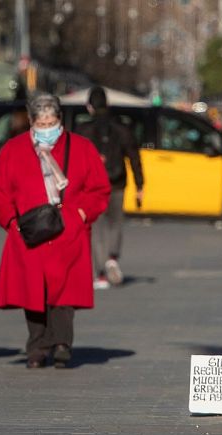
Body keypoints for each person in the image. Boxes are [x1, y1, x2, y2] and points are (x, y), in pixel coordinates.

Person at [0, 92, 110, 368]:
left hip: (69, 231)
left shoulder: (81, 148)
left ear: (60, 121)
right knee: (32, 293)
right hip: (28, 234)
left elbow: (99, 188)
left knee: (64, 293)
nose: (46, 128)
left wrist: (81, 214)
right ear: (31, 122)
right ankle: (37, 346)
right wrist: (11, 221)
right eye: (41, 123)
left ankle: (62, 343)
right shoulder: (13, 149)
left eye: (51, 121)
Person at [75, 86, 144, 289]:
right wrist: (140, 184)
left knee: (97, 228)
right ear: (108, 104)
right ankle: (113, 257)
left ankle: (101, 274)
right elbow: (134, 157)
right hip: (117, 182)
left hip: (92, 187)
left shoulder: (83, 131)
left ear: (89, 107)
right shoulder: (122, 128)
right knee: (116, 222)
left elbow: (74, 161)